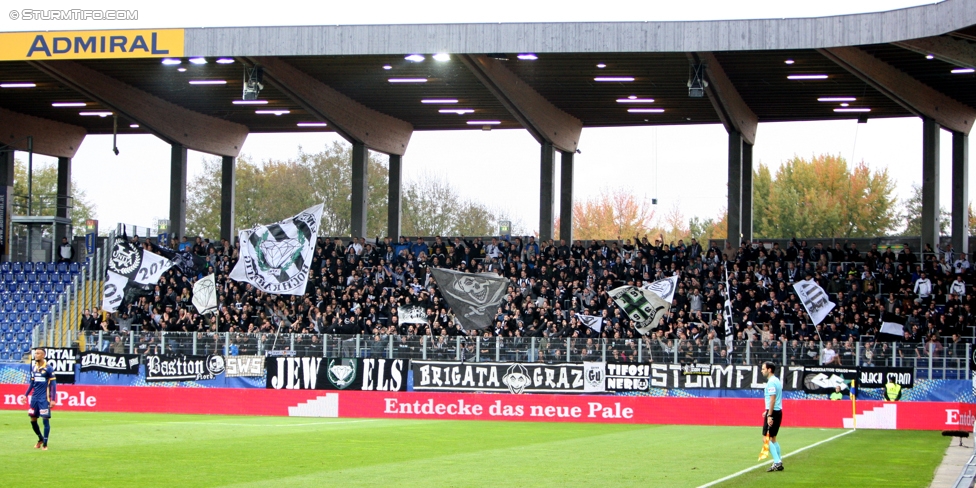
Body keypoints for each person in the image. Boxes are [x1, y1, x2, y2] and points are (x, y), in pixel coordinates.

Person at [26, 348, 57, 450]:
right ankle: (40, 438)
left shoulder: (48, 368)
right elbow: (32, 383)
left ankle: (45, 444)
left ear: (43, 355)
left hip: (44, 398)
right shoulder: (33, 367)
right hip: (34, 398)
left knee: (45, 421)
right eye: (35, 353)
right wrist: (25, 395)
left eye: (38, 353)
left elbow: (53, 385)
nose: (36, 355)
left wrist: (53, 399)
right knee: (33, 419)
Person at [762, 361, 784, 472]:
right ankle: (779, 461)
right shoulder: (776, 380)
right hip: (778, 411)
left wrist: (769, 415)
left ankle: (777, 462)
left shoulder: (771, 382)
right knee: (773, 438)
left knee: (765, 438)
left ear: (769, 369)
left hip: (773, 412)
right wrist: (767, 411)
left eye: (763, 369)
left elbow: (772, 399)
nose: (762, 371)